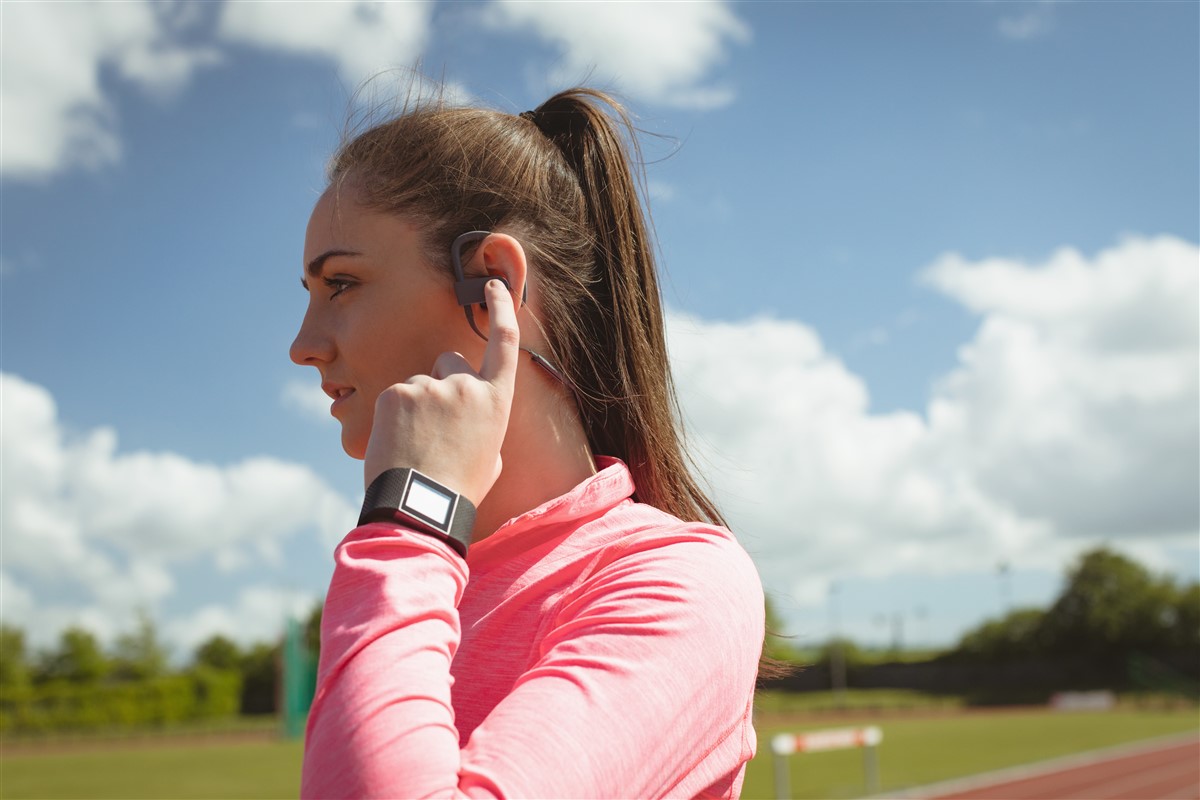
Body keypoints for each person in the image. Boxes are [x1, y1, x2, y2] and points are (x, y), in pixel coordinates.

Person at [290, 86, 766, 799]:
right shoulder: (411, 567)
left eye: (342, 284)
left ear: (491, 283)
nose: (303, 346)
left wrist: (409, 515)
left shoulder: (677, 581)